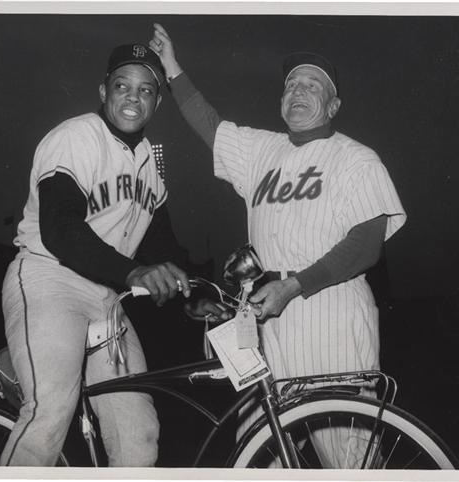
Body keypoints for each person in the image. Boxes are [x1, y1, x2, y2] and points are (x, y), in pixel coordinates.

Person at [150, 24, 407, 466]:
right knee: (256, 454)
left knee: (347, 455)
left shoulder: (357, 159)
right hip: (264, 317)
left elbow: (367, 246)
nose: (298, 91)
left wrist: (295, 286)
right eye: (291, 84)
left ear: (334, 104)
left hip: (332, 313)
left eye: (312, 85)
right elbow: (210, 124)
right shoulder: (262, 151)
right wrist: (172, 67)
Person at [0, 42, 191, 467]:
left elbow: (164, 248)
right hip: (50, 280)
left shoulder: (148, 165)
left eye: (145, 90)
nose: (132, 97)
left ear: (157, 102)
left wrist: (197, 296)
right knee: (49, 413)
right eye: (122, 86)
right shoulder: (76, 136)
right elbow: (61, 230)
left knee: (138, 435)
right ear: (103, 91)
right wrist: (136, 272)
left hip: (107, 298)